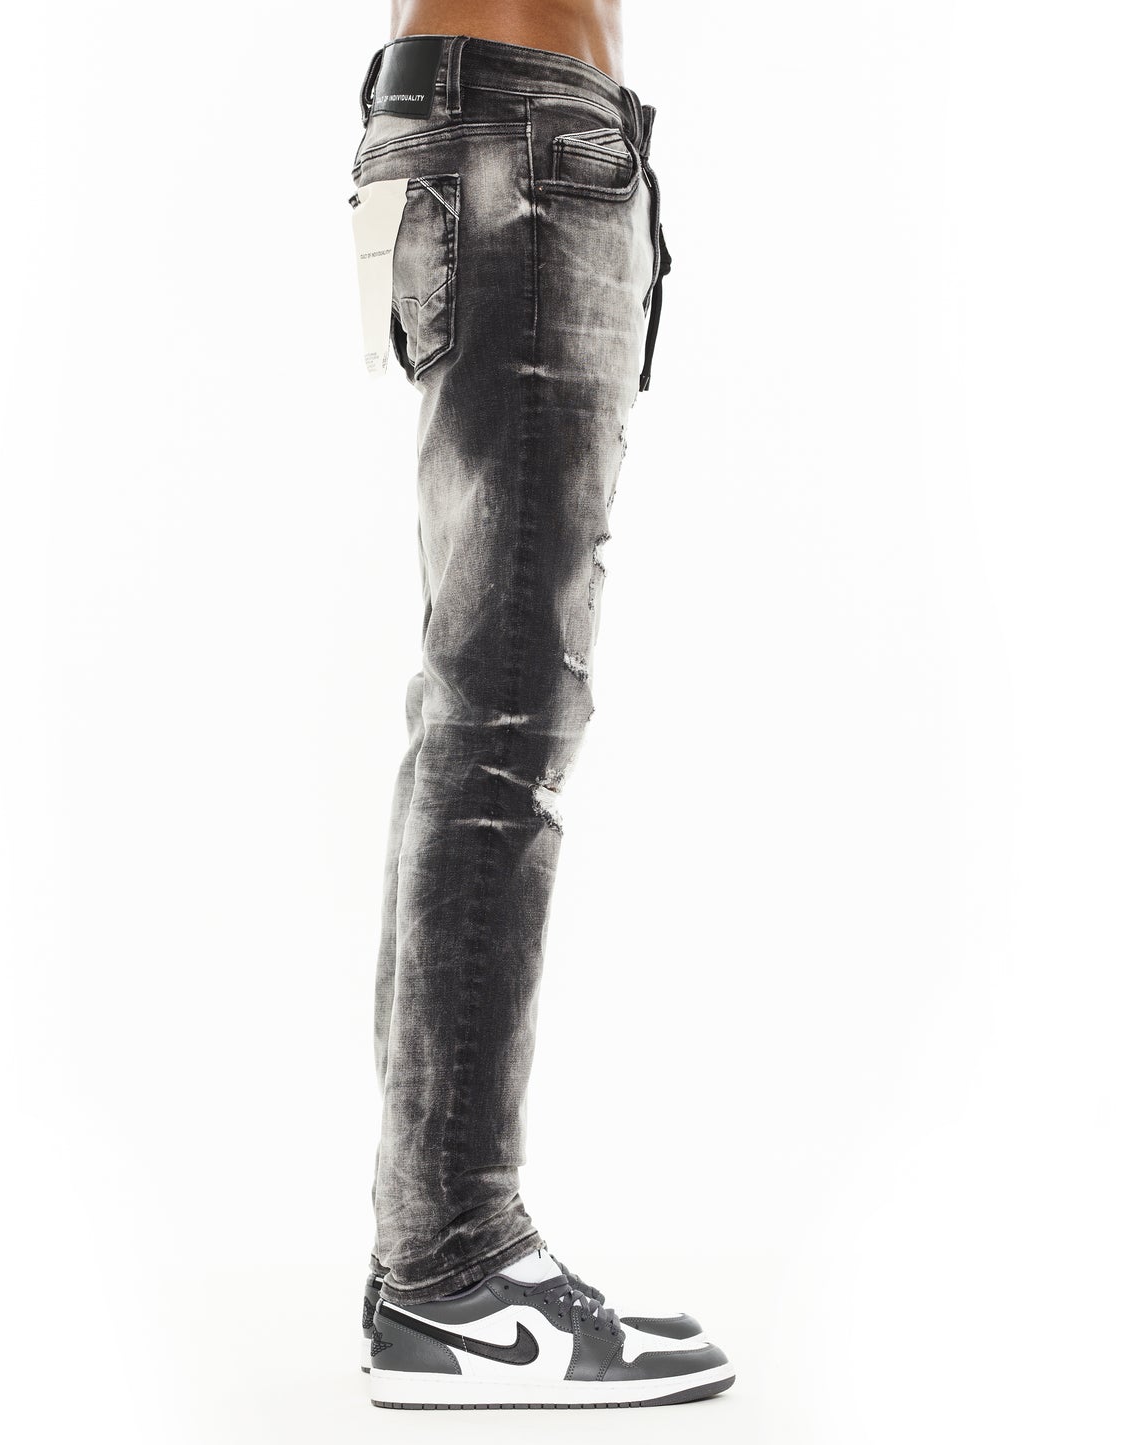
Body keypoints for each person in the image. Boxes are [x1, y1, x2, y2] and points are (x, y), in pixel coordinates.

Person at [350, 2, 731, 1408]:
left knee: (475, 709)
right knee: (501, 715)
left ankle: (436, 1252)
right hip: (524, 131)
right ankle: (453, 1267)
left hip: (494, 121)